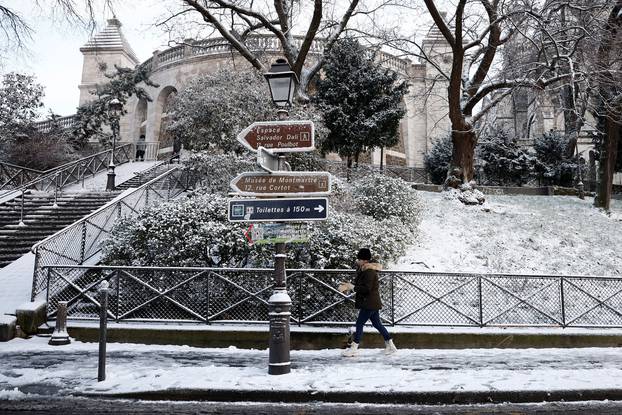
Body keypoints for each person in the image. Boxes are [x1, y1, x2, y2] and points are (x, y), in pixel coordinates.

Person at [339, 248, 397, 357]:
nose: (357, 260)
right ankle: (391, 346)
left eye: (359, 259)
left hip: (369, 303)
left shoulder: (369, 272)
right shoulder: (363, 270)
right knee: (377, 324)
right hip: (371, 302)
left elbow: (366, 289)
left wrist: (353, 287)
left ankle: (354, 348)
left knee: (359, 324)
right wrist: (348, 286)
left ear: (365, 260)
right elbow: (360, 285)